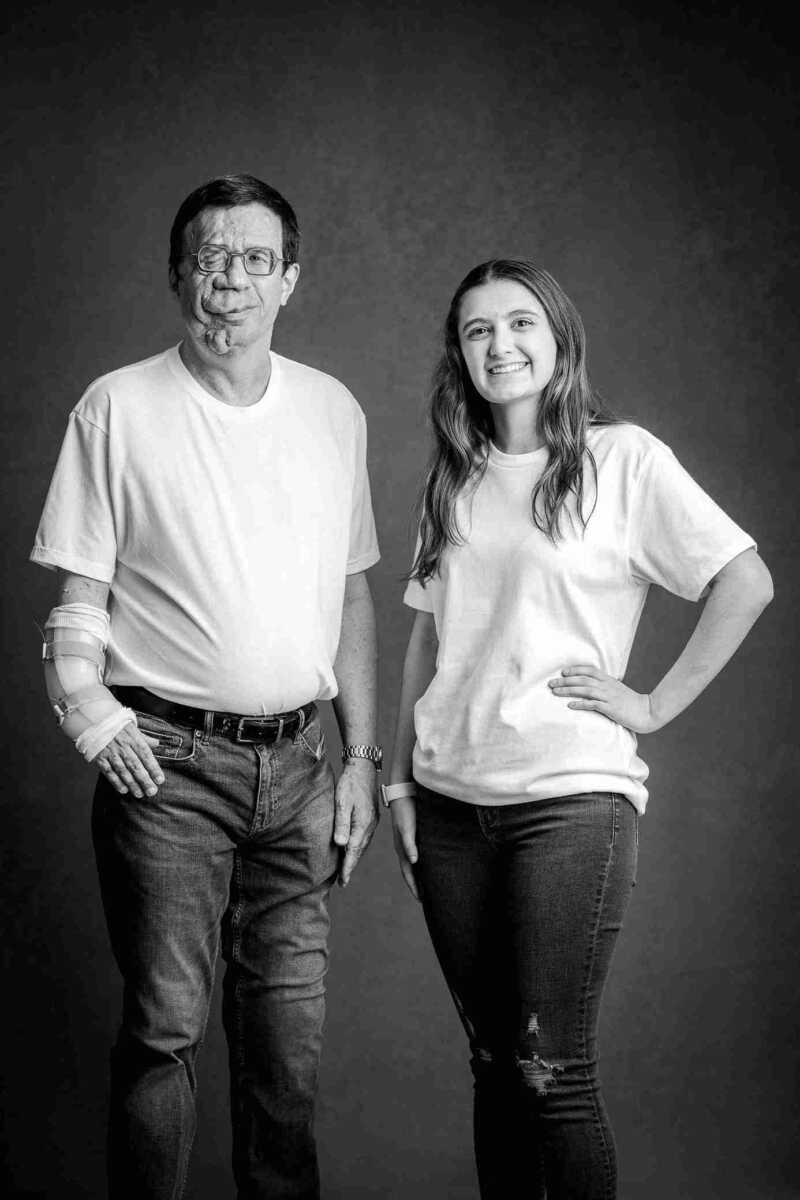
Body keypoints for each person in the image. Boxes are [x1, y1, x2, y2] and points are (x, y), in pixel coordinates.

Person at [385, 259, 773, 1199]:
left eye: (520, 323)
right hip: (446, 808)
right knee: (492, 1067)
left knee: (550, 1071)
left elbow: (744, 580)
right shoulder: (458, 475)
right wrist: (397, 781)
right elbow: (426, 638)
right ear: (461, 355)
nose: (500, 345)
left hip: (568, 805)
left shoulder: (623, 459)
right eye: (478, 330)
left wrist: (650, 705)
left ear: (559, 339)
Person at [30, 173, 383, 1200]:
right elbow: (78, 596)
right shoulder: (117, 404)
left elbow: (351, 600)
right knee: (164, 1032)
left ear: (290, 282)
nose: (228, 281)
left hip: (305, 767)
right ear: (178, 274)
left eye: (253, 261)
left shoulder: (331, 410)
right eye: (208, 260)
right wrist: (91, 715)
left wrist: (360, 759)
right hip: (166, 771)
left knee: (286, 1048)